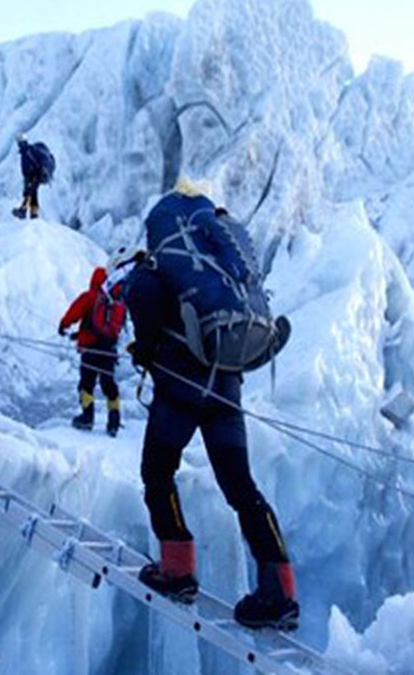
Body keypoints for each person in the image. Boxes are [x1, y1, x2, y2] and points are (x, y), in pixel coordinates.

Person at [123, 188, 299, 631]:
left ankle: (177, 567)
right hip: (225, 387)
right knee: (241, 487)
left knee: (158, 471)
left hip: (182, 387)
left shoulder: (160, 266)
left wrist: (145, 349)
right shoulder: (221, 272)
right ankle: (280, 589)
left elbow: (142, 298)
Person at [59, 266, 126, 437]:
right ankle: (114, 422)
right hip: (109, 349)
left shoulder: (90, 297)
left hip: (90, 349)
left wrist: (64, 325)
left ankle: (87, 418)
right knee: (109, 385)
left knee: (86, 384)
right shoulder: (117, 302)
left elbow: (74, 313)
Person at [12, 133, 54, 219]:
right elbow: (25, 170)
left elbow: (44, 158)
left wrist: (44, 169)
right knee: (32, 192)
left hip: (39, 173)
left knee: (32, 190)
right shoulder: (24, 153)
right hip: (33, 174)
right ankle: (33, 213)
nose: (19, 144)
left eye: (20, 142)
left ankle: (23, 210)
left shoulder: (31, 150)